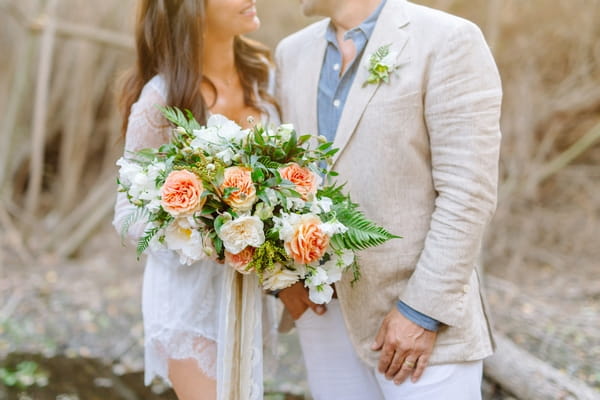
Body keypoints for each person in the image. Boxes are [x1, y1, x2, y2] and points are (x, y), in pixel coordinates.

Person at [275, 0, 502, 398]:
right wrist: (283, 282)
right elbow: (282, 178)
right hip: (323, 312)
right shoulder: (290, 52)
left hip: (421, 327)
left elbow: (468, 192)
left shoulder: (448, 39)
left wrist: (422, 312)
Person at [113, 1, 279, 399]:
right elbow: (126, 216)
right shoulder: (162, 98)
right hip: (189, 302)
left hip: (251, 295)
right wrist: (202, 234)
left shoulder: (265, 77)